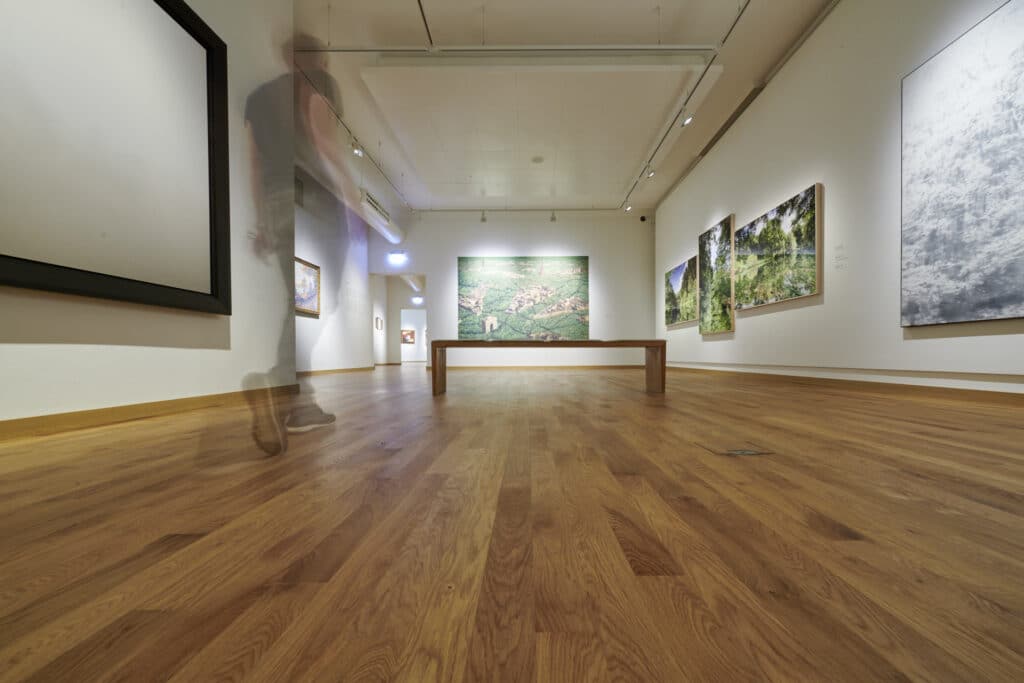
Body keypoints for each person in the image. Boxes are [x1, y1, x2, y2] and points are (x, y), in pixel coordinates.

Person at [242, 34, 347, 455]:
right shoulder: (319, 79)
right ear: (315, 58)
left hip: (278, 205)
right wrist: (351, 196)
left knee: (300, 302)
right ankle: (281, 385)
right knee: (319, 301)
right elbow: (322, 139)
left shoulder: (257, 99)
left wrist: (263, 222)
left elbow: (254, 163)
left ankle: (300, 405)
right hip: (315, 202)